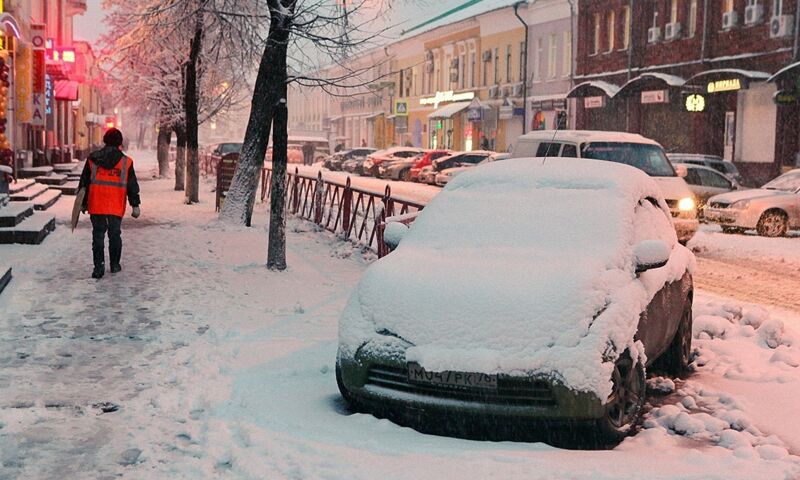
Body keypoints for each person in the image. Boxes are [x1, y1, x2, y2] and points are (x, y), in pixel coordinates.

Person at [79, 128, 141, 279]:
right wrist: (135, 204)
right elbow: (132, 185)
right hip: (115, 205)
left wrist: (82, 202)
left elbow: (84, 183)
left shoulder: (93, 159)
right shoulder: (126, 162)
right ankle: (114, 264)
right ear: (120, 142)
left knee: (98, 236)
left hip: (96, 204)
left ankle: (98, 267)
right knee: (115, 235)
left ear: (105, 140)